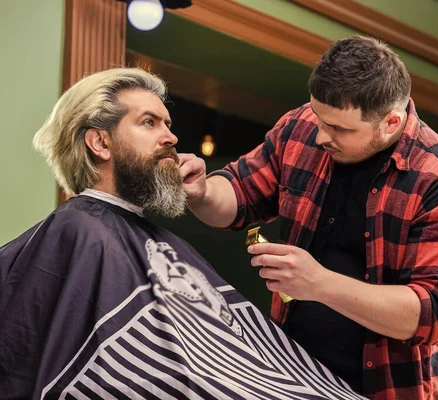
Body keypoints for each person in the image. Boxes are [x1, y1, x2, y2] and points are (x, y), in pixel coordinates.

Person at [0, 68, 366, 400]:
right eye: (149, 123)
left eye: (168, 123)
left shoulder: (152, 239)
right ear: (101, 143)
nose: (171, 137)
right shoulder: (77, 230)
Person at [180, 35, 438, 400]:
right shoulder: (302, 127)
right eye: (318, 117)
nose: (321, 135)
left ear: (391, 122)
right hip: (291, 375)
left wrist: (319, 283)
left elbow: (433, 315)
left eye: (340, 129)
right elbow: (239, 193)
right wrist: (202, 191)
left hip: (385, 387)